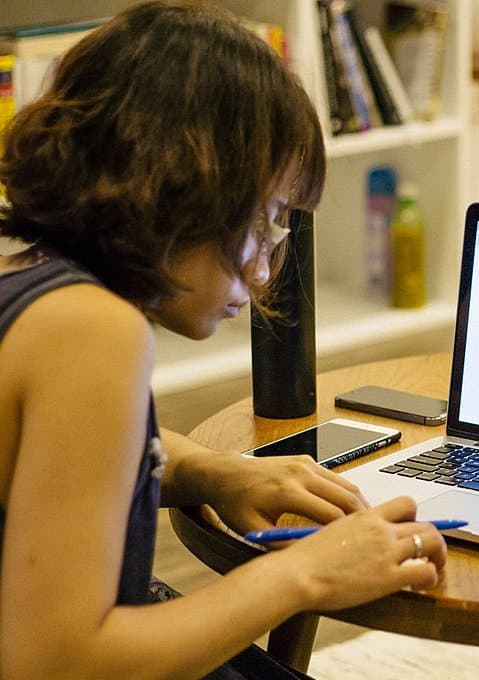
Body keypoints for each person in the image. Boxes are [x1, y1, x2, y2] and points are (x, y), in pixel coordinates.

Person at [0, 2, 446, 678]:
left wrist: (215, 471)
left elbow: (64, 457)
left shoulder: (27, 275)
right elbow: (56, 661)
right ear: (186, 186)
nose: (266, 271)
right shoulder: (94, 332)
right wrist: (307, 574)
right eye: (264, 221)